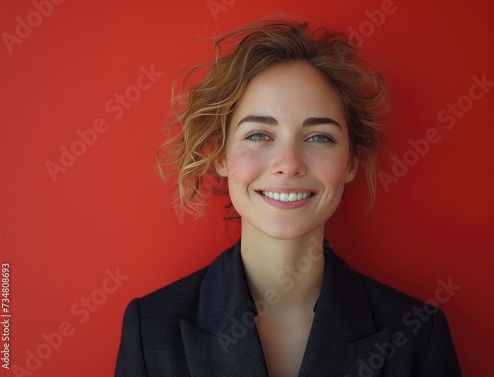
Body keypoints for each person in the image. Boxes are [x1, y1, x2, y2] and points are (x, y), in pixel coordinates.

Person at [115, 19, 461, 377]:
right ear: (219, 155)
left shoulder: (419, 334)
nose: (288, 165)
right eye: (259, 135)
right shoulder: (151, 329)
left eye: (318, 138)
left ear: (351, 163)